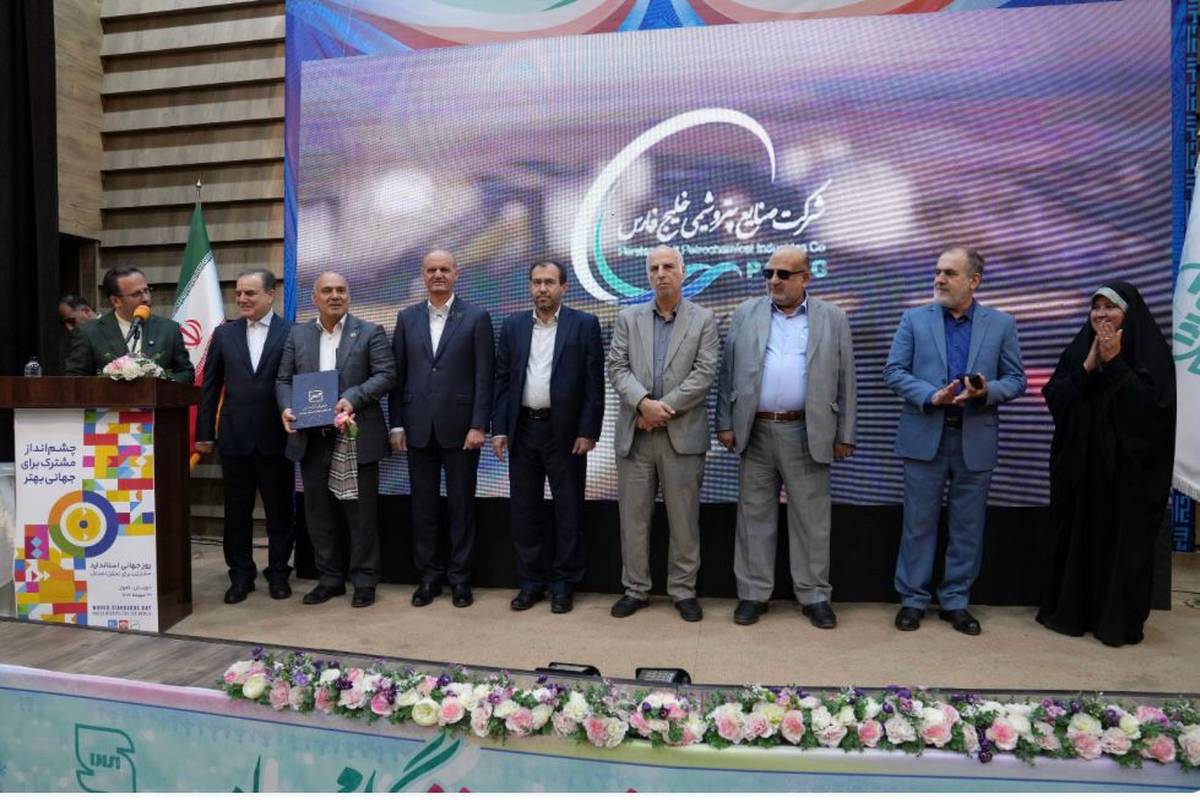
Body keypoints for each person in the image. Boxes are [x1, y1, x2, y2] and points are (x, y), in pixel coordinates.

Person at [883, 246, 1026, 636]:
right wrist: (931, 395)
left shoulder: (1001, 324)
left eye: (949, 273)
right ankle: (913, 600)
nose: (939, 279)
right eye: (937, 272)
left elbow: (1016, 380)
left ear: (974, 281)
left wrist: (986, 391)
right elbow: (893, 371)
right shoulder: (914, 319)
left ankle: (955, 601)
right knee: (918, 524)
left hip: (974, 438)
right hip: (925, 435)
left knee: (967, 527)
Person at [716, 245, 857, 628]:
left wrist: (845, 432)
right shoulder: (745, 313)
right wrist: (725, 423)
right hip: (755, 430)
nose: (774, 281)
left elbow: (846, 378)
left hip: (807, 431)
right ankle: (752, 594)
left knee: (811, 519)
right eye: (769, 273)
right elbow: (728, 373)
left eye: (783, 274)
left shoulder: (832, 317)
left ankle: (814, 596)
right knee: (753, 516)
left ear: (806, 277)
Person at [1037, 282, 1175, 646]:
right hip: (1081, 474)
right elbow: (1055, 398)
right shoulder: (1080, 349)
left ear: (1129, 314)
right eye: (1095, 307)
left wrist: (1115, 364)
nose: (1101, 315)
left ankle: (1115, 621)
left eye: (1110, 307)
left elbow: (1153, 413)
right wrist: (1087, 367)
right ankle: (1072, 612)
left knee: (1121, 547)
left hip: (1127, 479)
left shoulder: (1151, 353)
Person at [607, 245, 719, 622]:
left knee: (684, 521)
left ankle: (683, 591)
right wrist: (643, 404)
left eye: (668, 266)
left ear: (682, 271)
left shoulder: (703, 319)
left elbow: (704, 374)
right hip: (636, 435)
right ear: (648, 275)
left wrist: (659, 410)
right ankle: (635, 590)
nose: (661, 273)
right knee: (633, 520)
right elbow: (617, 367)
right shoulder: (628, 318)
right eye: (654, 268)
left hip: (681, 435)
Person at [277, 272, 395, 609]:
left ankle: (364, 580)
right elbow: (284, 380)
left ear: (349, 296)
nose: (334, 295)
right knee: (318, 514)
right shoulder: (298, 334)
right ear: (314, 298)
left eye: (341, 290)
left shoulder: (370, 332)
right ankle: (329, 579)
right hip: (312, 438)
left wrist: (353, 398)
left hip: (354, 436)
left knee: (361, 515)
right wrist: (286, 408)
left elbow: (387, 375)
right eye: (327, 290)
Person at [492, 260, 604, 614]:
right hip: (523, 429)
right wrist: (499, 429)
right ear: (530, 286)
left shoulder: (584, 324)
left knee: (568, 511)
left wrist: (588, 430)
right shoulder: (512, 326)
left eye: (550, 282)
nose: (542, 288)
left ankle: (563, 584)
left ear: (563, 287)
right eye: (537, 282)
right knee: (524, 512)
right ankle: (530, 583)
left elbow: (594, 384)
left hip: (565, 433)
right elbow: (502, 381)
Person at [389, 249, 494, 609]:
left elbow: (485, 376)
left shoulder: (476, 316)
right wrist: (397, 424)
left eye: (444, 269)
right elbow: (398, 376)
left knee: (461, 508)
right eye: (431, 269)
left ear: (456, 274)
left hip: (462, 431)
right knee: (423, 509)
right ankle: (429, 578)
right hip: (417, 428)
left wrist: (479, 424)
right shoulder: (406, 318)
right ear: (423, 275)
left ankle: (460, 579)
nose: (438, 274)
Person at [196, 270, 295, 604]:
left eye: (250, 293)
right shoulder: (224, 334)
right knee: (236, 514)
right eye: (238, 293)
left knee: (280, 513)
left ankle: (278, 574)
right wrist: (204, 433)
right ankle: (240, 576)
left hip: (277, 438)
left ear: (270, 294)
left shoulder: (292, 332)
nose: (242, 299)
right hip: (234, 439)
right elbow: (210, 388)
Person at [64, 267, 194, 382]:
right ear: (116, 301)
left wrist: (163, 382)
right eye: (137, 294)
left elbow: (186, 373)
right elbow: (75, 378)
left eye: (146, 290)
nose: (146, 298)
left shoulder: (169, 329)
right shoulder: (89, 333)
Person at [57, 295, 97, 373]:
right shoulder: (70, 339)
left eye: (71, 321)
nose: (69, 328)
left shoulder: (111, 326)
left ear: (86, 311)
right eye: (64, 323)